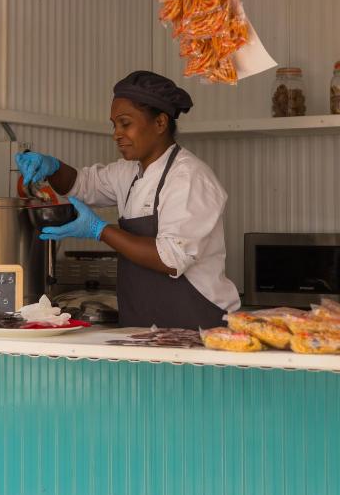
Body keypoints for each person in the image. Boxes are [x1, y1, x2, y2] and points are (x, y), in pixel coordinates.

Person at [15, 70, 240, 328]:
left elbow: (171, 258)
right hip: (144, 325)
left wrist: (100, 230)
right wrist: (52, 167)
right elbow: (81, 184)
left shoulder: (189, 178)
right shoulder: (128, 171)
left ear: (160, 123)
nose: (116, 134)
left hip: (199, 326)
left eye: (125, 123)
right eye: (114, 125)